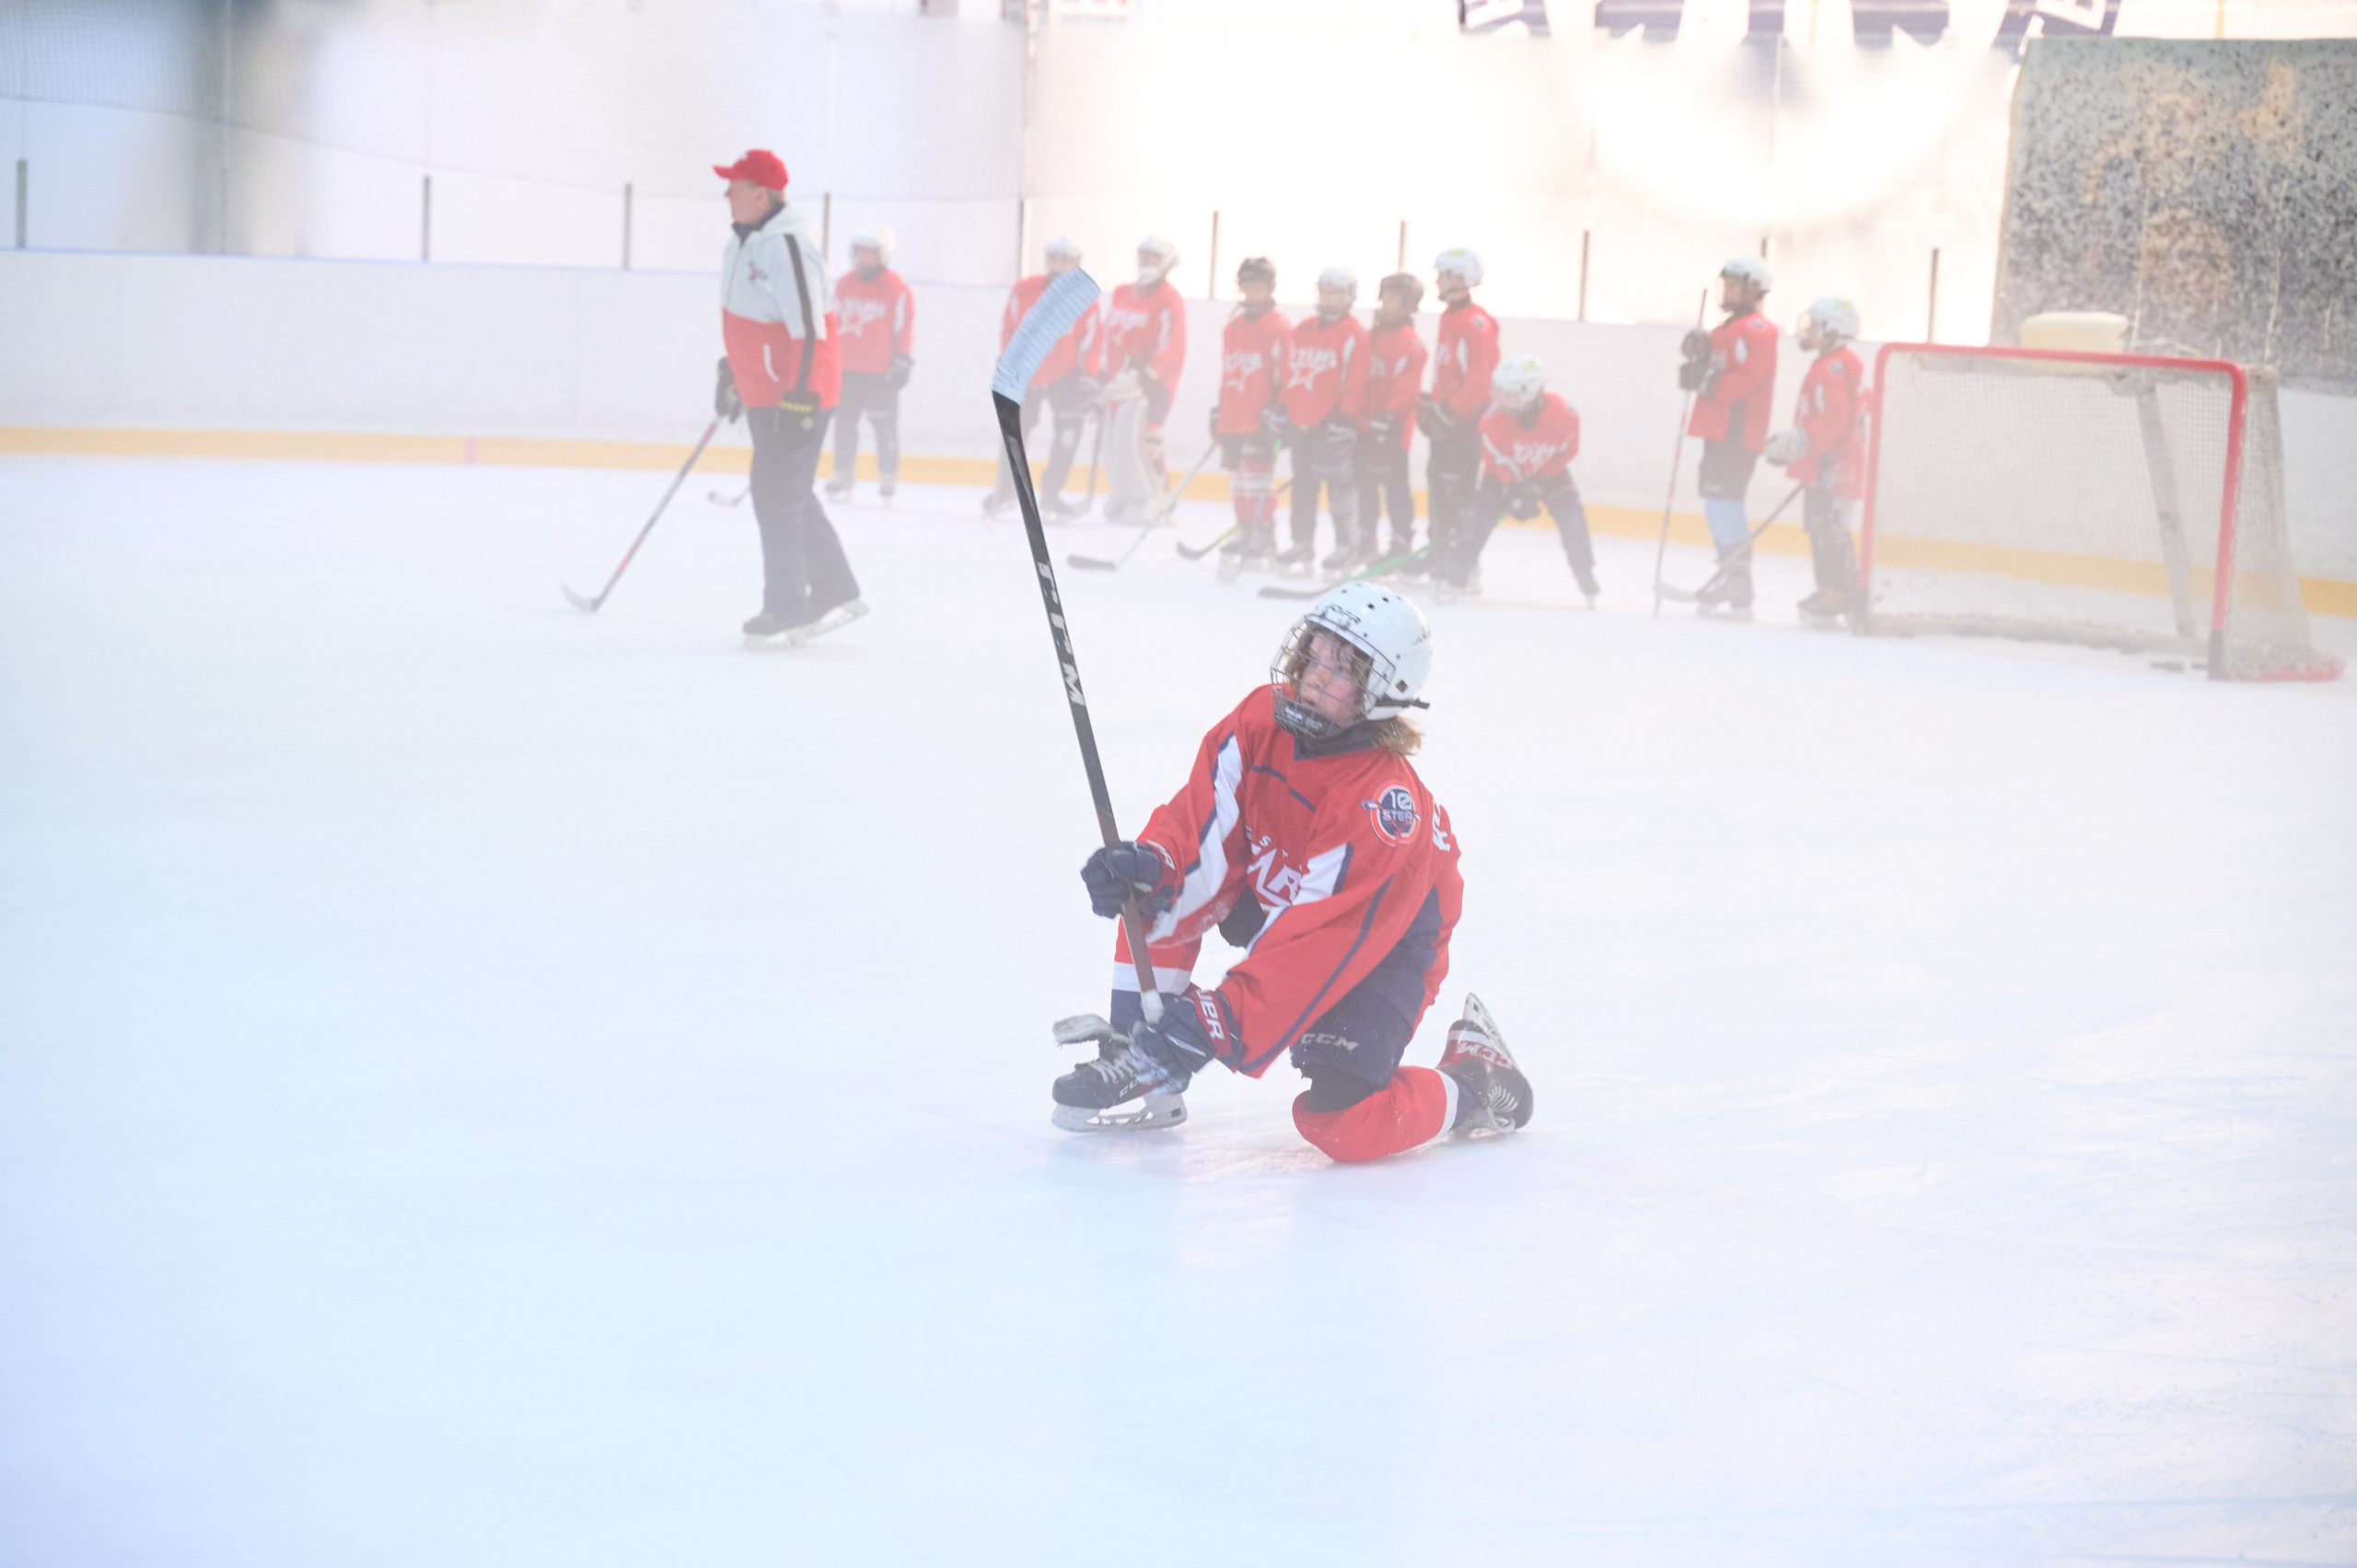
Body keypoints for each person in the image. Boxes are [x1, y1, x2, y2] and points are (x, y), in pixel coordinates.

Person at [1050, 583, 1534, 1160]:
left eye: (1345, 669)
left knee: (1342, 1125)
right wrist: (1156, 862)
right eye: (1318, 654)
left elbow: (1323, 940)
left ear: (1380, 695)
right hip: (1285, 895)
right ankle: (1141, 1053)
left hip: (1384, 942)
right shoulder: (1261, 718)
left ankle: (1474, 1080)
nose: (1318, 675)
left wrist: (1219, 1020)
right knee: (1157, 890)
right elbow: (1201, 828)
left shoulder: (1382, 806)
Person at [712, 148, 865, 649]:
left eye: (734, 189)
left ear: (762, 194)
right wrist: (733, 372)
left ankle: (787, 608)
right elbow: (747, 320)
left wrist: (801, 397)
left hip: (797, 394)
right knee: (785, 492)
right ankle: (835, 589)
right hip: (766, 391)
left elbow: (810, 329)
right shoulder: (744, 242)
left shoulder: (788, 245)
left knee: (776, 496)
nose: (726, 197)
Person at [1434, 354, 1598, 607]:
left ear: (1530, 392)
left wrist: (1537, 484)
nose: (1499, 399)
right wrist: (1514, 492)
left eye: (1508, 393)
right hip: (1502, 477)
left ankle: (1586, 576)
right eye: (1499, 391)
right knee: (1477, 521)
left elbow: (1567, 451)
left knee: (1573, 518)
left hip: (1550, 474)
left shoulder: (1564, 415)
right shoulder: (1492, 419)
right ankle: (1456, 578)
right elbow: (1496, 461)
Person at [1679, 256, 1779, 619]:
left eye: (1734, 286)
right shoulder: (1725, 329)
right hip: (1718, 429)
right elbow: (1715, 363)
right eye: (1726, 285)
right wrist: (1698, 352)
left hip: (1736, 432)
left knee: (1726, 502)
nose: (1727, 291)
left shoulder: (1758, 330)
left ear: (1753, 290)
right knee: (1716, 501)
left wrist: (1706, 381)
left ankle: (1739, 580)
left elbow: (1749, 379)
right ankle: (1731, 576)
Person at [1765, 296, 1870, 624]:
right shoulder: (1833, 363)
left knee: (1832, 528)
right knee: (1821, 527)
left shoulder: (1836, 367)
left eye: (1814, 325)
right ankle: (1830, 588)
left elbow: (1835, 419)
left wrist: (1805, 440)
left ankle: (1845, 593)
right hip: (1826, 460)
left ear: (1831, 331)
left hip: (1835, 463)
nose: (1807, 331)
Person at [983, 236, 1100, 519]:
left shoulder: (1085, 298)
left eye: (1065, 261)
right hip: (1028, 371)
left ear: (1076, 264)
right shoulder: (1024, 290)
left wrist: (1090, 376)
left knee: (1068, 433)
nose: (1058, 266)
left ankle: (1051, 495)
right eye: (1054, 259)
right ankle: (1007, 490)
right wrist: (1009, 359)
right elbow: (1010, 327)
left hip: (1068, 376)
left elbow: (1091, 340)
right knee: (1015, 431)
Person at [1279, 266, 1372, 576]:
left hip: (1332, 423)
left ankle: (1346, 545)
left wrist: (1345, 419)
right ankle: (1301, 542)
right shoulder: (1302, 329)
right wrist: (1283, 408)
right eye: (1325, 292)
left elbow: (1356, 382)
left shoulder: (1354, 334)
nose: (1329, 299)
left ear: (1348, 298)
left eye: (1336, 293)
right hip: (1301, 421)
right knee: (1302, 486)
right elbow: (1289, 371)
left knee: (1339, 487)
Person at [1418, 248, 1498, 588]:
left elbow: (1480, 381)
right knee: (1438, 486)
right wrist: (1434, 404)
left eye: (1443, 274)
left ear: (1459, 278)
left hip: (1463, 426)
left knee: (1458, 492)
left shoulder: (1476, 322)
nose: (1437, 280)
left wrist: (1449, 412)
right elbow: (1452, 373)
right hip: (1448, 423)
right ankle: (1441, 553)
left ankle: (1464, 566)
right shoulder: (1450, 317)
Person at [1094, 235, 1188, 524]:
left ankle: (1160, 496)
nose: (1146, 263)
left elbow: (1175, 343)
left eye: (1154, 258)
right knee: (1117, 443)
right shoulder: (1122, 293)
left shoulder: (1169, 298)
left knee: (1145, 439)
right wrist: (1101, 371)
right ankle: (1125, 494)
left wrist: (1150, 373)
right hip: (1118, 383)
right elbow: (1109, 335)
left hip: (1151, 385)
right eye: (1143, 257)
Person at [1208, 257, 1290, 570]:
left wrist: (1281, 411)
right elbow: (1229, 372)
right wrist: (1220, 409)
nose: (1252, 292)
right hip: (1234, 416)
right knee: (1239, 480)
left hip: (1261, 418)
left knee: (1258, 479)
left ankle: (1264, 535)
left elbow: (1286, 372)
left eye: (1259, 286)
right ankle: (1245, 529)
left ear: (1270, 289)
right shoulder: (1232, 328)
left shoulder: (1278, 327)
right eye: (1247, 286)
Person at [826, 228, 914, 505]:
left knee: (884, 427)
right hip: (845, 370)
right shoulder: (843, 284)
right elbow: (832, 322)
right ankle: (842, 474)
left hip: (880, 374)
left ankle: (887, 476)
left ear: (882, 255)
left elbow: (904, 327)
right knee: (843, 425)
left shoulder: (897, 288)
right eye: (860, 252)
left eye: (870, 253)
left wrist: (902, 360)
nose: (863, 258)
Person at [1359, 273, 1428, 567]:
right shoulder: (1370, 337)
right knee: (1364, 485)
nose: (1387, 304)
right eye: (1385, 298)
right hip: (1364, 426)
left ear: (1409, 306)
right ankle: (1365, 540)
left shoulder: (1411, 343)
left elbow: (1406, 388)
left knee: (1395, 486)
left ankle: (1400, 542)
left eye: (1395, 300)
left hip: (1393, 430)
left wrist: (1387, 417)